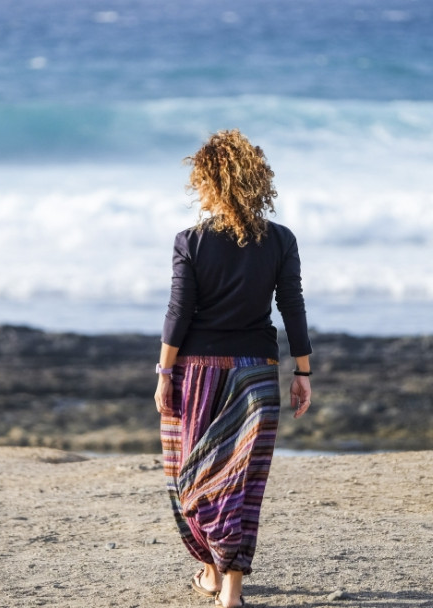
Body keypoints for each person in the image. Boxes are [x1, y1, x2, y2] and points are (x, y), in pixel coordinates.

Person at [155, 129, 313, 608]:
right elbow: (292, 306)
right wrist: (302, 372)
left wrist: (163, 373)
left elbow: (179, 311)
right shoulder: (281, 240)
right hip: (257, 373)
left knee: (194, 479)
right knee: (242, 482)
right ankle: (227, 587)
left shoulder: (191, 241)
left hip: (198, 372)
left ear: (210, 182)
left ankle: (215, 573)